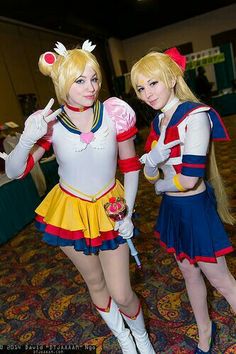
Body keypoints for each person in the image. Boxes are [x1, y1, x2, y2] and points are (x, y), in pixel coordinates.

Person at [2, 40, 155, 354]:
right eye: (80, 80)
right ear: (62, 83)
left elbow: (129, 166)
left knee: (122, 291)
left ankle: (141, 337)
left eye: (94, 78)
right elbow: (16, 171)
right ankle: (124, 340)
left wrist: (127, 211)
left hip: (110, 208)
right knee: (96, 284)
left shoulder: (114, 113)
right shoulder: (51, 123)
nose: (91, 87)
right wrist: (28, 137)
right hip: (69, 212)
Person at [130, 47, 236, 354]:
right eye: (140, 87)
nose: (147, 94)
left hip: (193, 208)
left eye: (153, 83)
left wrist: (159, 182)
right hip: (174, 210)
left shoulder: (195, 115)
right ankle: (205, 329)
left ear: (172, 78)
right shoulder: (157, 124)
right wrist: (151, 162)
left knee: (222, 281)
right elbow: (149, 172)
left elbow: (189, 179)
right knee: (189, 273)